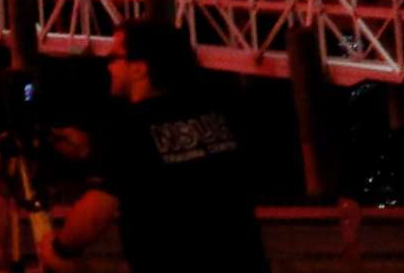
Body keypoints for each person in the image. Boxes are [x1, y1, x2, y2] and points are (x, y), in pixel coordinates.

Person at [38, 20, 269, 272]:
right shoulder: (216, 109)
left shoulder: (129, 127)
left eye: (114, 58)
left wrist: (59, 248)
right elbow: (170, 164)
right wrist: (91, 151)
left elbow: (95, 214)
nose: (109, 67)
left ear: (139, 69)